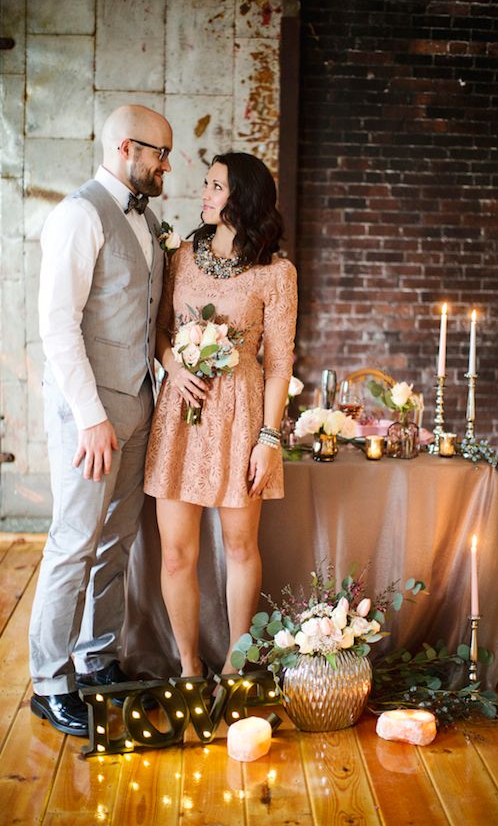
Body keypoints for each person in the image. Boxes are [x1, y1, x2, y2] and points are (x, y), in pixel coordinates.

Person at [29, 105, 201, 737]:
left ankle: (96, 657)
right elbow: (57, 326)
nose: (167, 164)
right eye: (160, 153)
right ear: (129, 148)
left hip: (140, 408)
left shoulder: (150, 219)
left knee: (117, 543)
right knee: (73, 542)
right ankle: (49, 683)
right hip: (89, 415)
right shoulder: (78, 214)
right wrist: (90, 418)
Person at [143, 152, 297, 678]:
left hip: (240, 418)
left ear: (243, 199)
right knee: (175, 555)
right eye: (207, 185)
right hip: (181, 413)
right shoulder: (181, 255)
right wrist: (172, 366)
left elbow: (278, 363)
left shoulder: (276, 274)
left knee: (239, 545)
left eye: (215, 186)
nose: (204, 194)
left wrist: (268, 438)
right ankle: (188, 668)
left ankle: (235, 664)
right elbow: (160, 330)